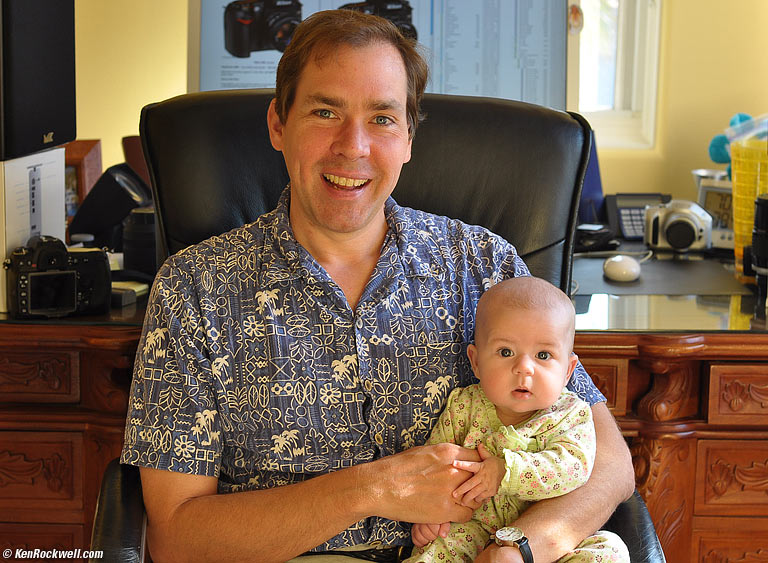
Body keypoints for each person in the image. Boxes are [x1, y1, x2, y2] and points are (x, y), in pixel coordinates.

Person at [120, 8, 634, 563]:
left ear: (409, 137)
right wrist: (373, 489)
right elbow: (175, 536)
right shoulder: (194, 289)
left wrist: (520, 548)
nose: (353, 146)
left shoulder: (484, 266)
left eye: (383, 118)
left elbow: (609, 462)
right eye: (325, 112)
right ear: (278, 124)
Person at [407, 276, 629, 562]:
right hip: (472, 530)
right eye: (506, 352)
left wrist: (506, 472)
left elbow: (573, 467)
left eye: (543, 355)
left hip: (547, 543)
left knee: (609, 550)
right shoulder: (463, 406)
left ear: (568, 371)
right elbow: (436, 467)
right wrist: (431, 514)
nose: (524, 367)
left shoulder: (570, 414)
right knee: (436, 549)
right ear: (476, 361)